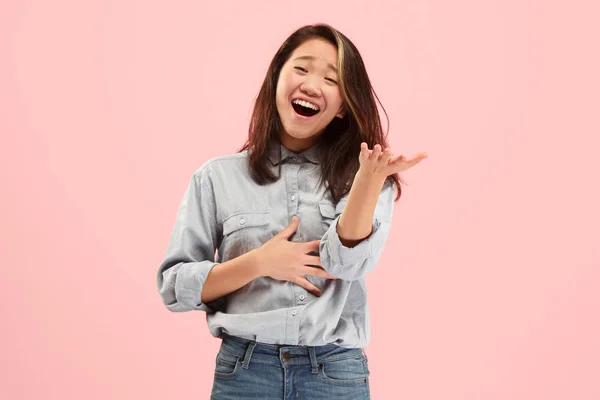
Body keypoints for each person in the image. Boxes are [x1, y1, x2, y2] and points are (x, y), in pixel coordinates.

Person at [157, 23, 427, 399]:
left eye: (331, 79)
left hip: (334, 374)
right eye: (301, 68)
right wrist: (259, 262)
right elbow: (175, 287)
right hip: (245, 372)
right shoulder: (215, 178)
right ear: (276, 81)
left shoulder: (366, 176)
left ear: (343, 108)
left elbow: (344, 264)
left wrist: (366, 182)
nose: (312, 85)